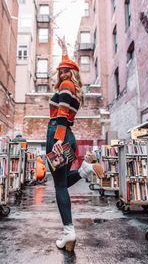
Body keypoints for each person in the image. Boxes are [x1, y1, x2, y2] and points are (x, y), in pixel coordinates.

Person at [46, 37, 104, 252]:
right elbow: (67, 68)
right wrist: (64, 50)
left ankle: (69, 232)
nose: (62, 74)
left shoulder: (66, 86)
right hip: (68, 134)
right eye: (60, 71)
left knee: (60, 185)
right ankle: (85, 170)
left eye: (66, 71)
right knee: (61, 183)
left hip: (58, 133)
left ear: (73, 73)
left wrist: (57, 141)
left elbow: (61, 113)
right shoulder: (74, 86)